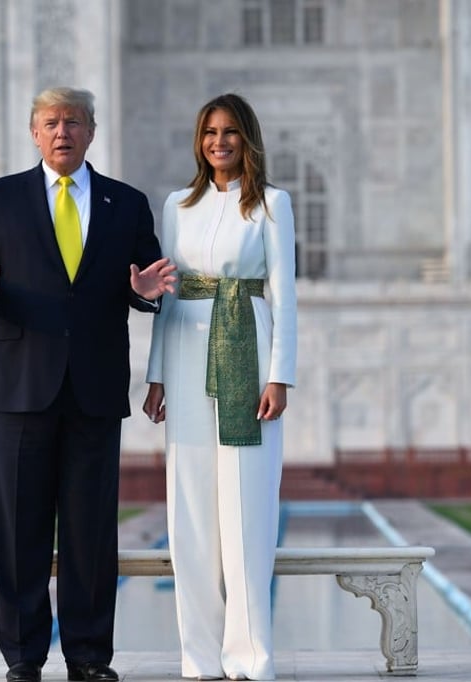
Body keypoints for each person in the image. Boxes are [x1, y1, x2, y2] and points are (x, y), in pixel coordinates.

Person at [0, 86, 176, 682]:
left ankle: (87, 657)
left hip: (95, 389)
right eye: (50, 122)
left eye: (72, 122)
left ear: (91, 132)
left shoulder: (125, 203)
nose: (61, 132)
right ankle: (24, 657)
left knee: (90, 531)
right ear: (34, 132)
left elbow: (142, 280)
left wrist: (144, 295)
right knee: (20, 528)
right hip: (20, 384)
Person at [142, 93, 297, 681]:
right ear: (199, 140)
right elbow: (167, 295)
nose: (219, 142)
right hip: (184, 352)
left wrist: (280, 374)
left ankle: (250, 657)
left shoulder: (273, 205)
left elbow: (284, 294)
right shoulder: (178, 205)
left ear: (247, 138)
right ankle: (199, 658)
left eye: (230, 131)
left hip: (247, 353)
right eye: (210, 132)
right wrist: (155, 374)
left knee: (247, 509)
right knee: (190, 512)